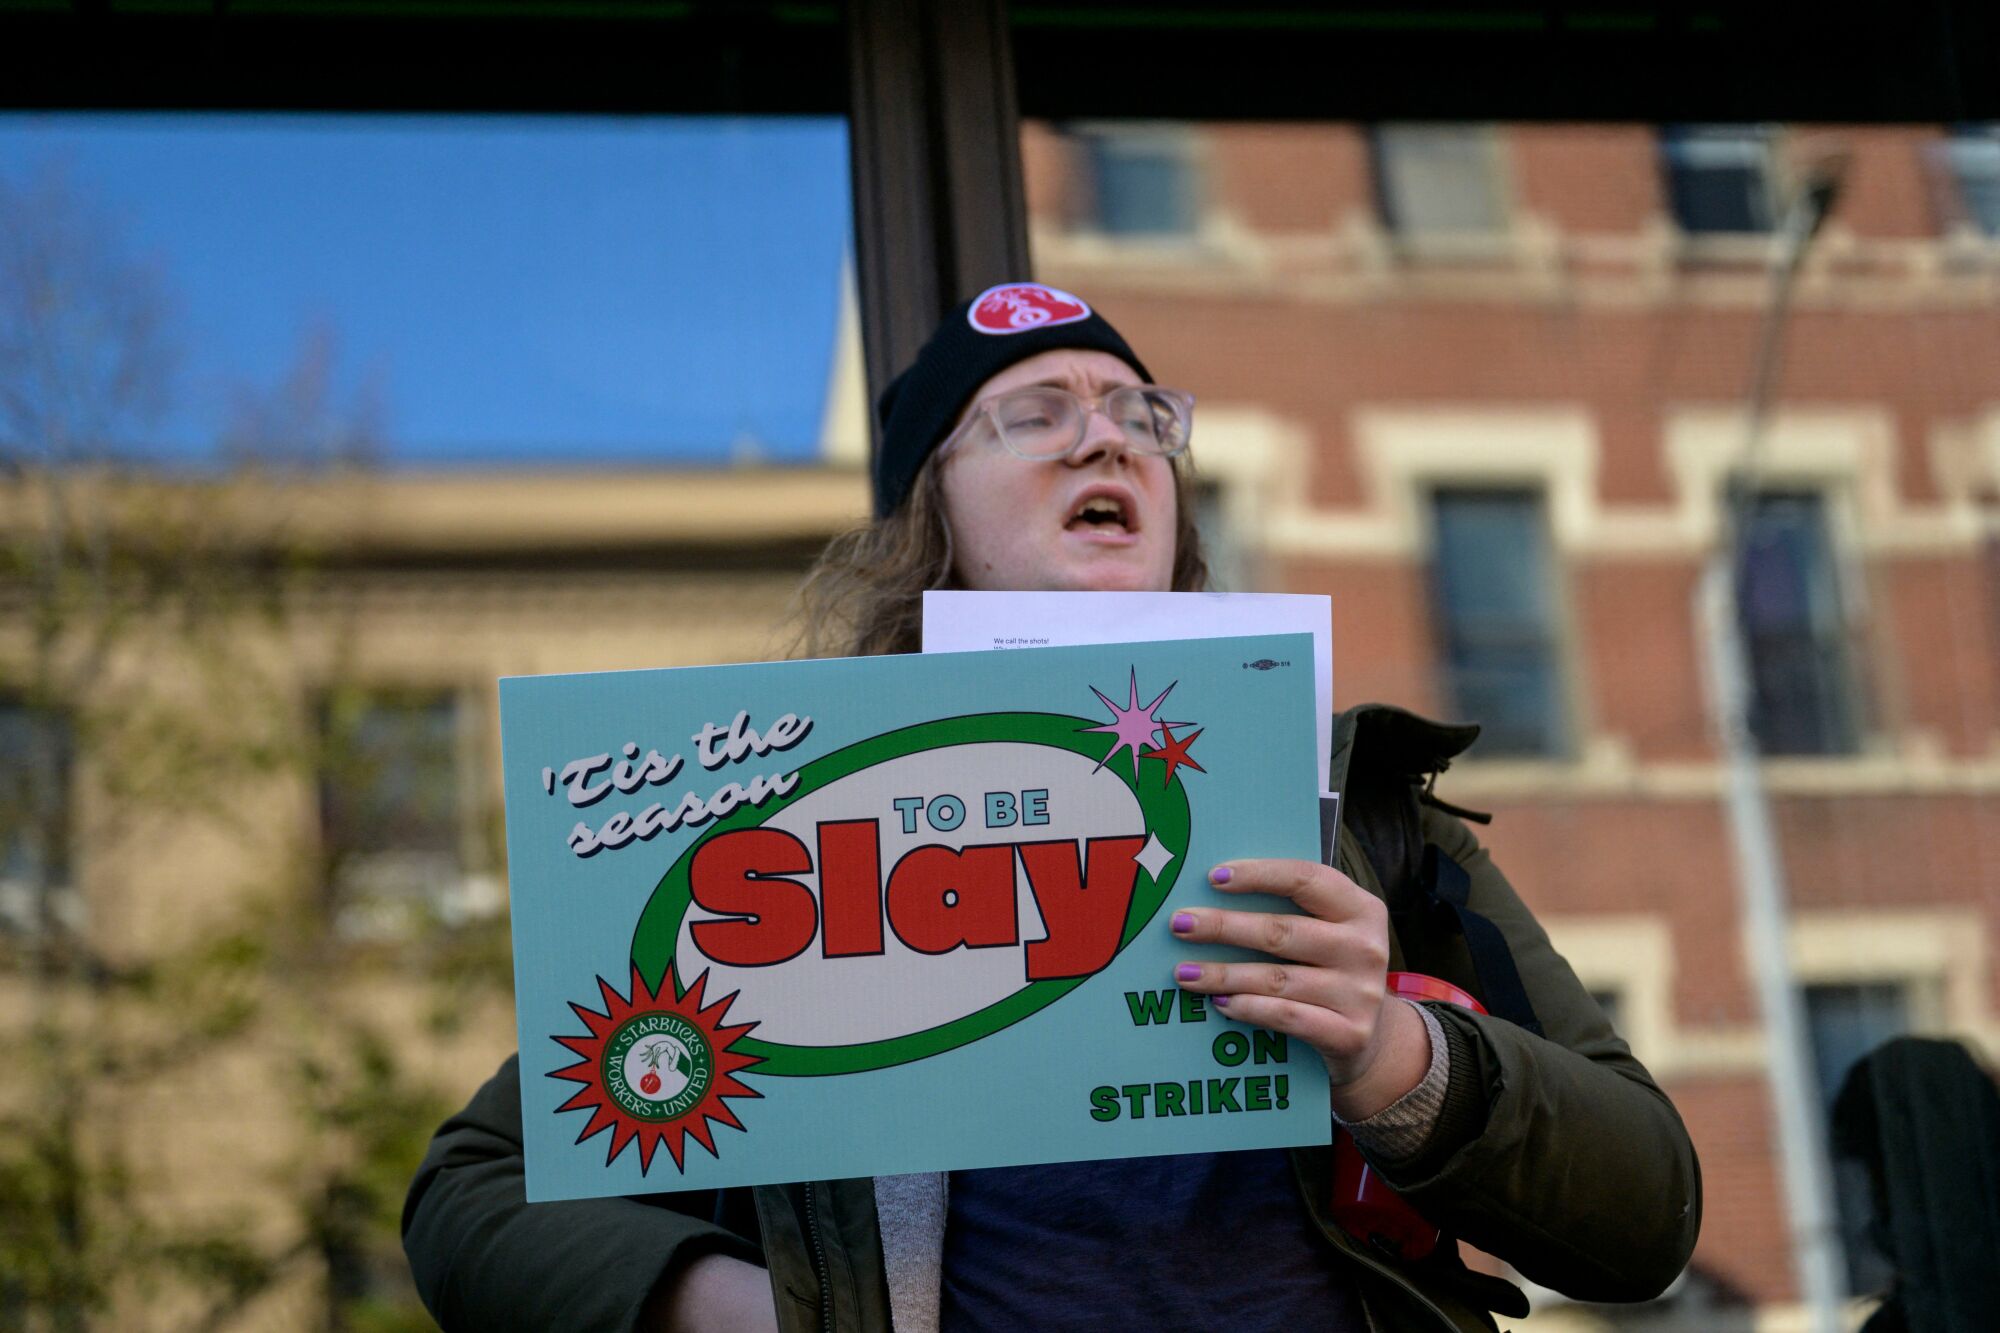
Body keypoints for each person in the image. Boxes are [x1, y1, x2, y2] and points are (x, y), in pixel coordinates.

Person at [403, 283, 1701, 1332]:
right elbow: (471, 1192)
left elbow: (1648, 1213)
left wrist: (1398, 1057)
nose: (1106, 436)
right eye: (1032, 415)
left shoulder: (1358, 812)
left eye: (1139, 413)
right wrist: (740, 1305)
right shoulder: (783, 832)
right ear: (934, 521)